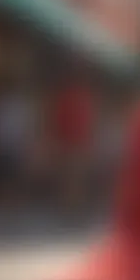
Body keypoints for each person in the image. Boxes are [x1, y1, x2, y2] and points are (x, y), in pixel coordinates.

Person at [49, 71, 96, 215]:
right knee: (75, 176)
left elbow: (58, 121)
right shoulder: (83, 99)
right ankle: (72, 206)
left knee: (70, 175)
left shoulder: (68, 99)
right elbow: (89, 122)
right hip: (77, 141)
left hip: (69, 141)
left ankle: (70, 206)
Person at [0, 87, 34, 206]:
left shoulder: (19, 107)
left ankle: (13, 207)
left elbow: (25, 128)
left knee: (15, 179)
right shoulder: (0, 107)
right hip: (4, 147)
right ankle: (5, 207)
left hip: (15, 148)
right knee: (4, 180)